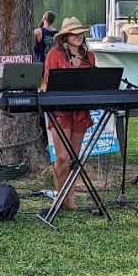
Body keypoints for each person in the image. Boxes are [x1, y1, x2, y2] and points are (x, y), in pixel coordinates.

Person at [42, 17, 95, 210]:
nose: (79, 36)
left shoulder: (89, 57)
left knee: (74, 157)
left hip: (80, 110)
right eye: (74, 33)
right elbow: (47, 83)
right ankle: (59, 195)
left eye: (81, 33)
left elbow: (92, 82)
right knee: (62, 157)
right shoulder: (55, 54)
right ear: (65, 37)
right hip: (61, 110)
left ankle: (69, 196)